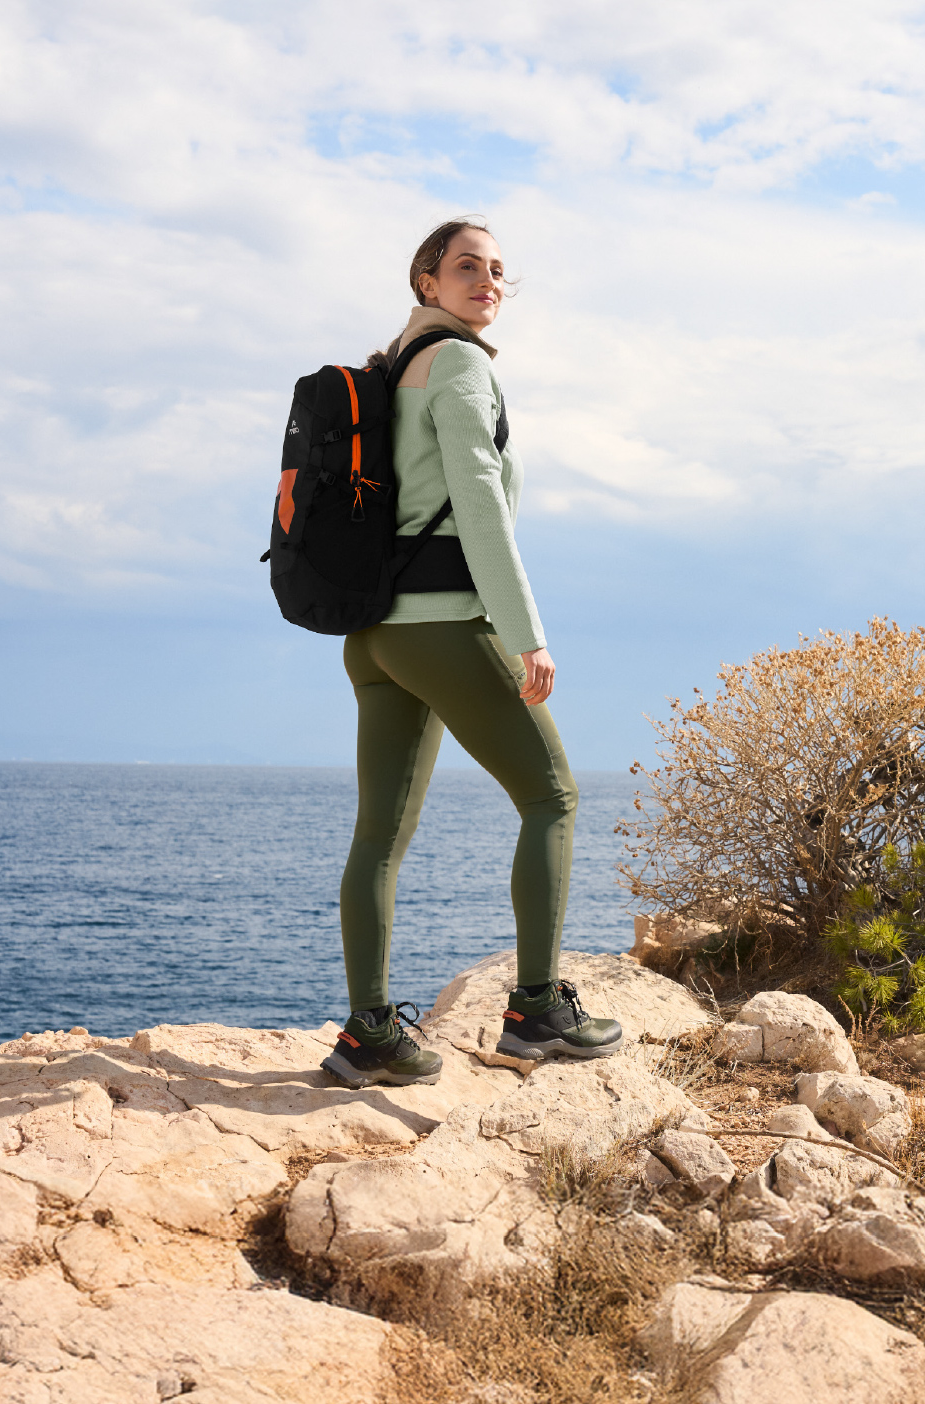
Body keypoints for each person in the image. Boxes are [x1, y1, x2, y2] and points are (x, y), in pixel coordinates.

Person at [321, 218, 622, 1089]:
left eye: (496, 271)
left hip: (373, 637)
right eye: (465, 267)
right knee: (553, 798)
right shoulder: (457, 365)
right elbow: (479, 504)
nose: (487, 281)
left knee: (378, 835)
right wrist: (525, 632)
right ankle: (535, 1012)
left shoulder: (391, 370)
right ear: (426, 281)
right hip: (444, 626)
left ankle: (367, 1034)